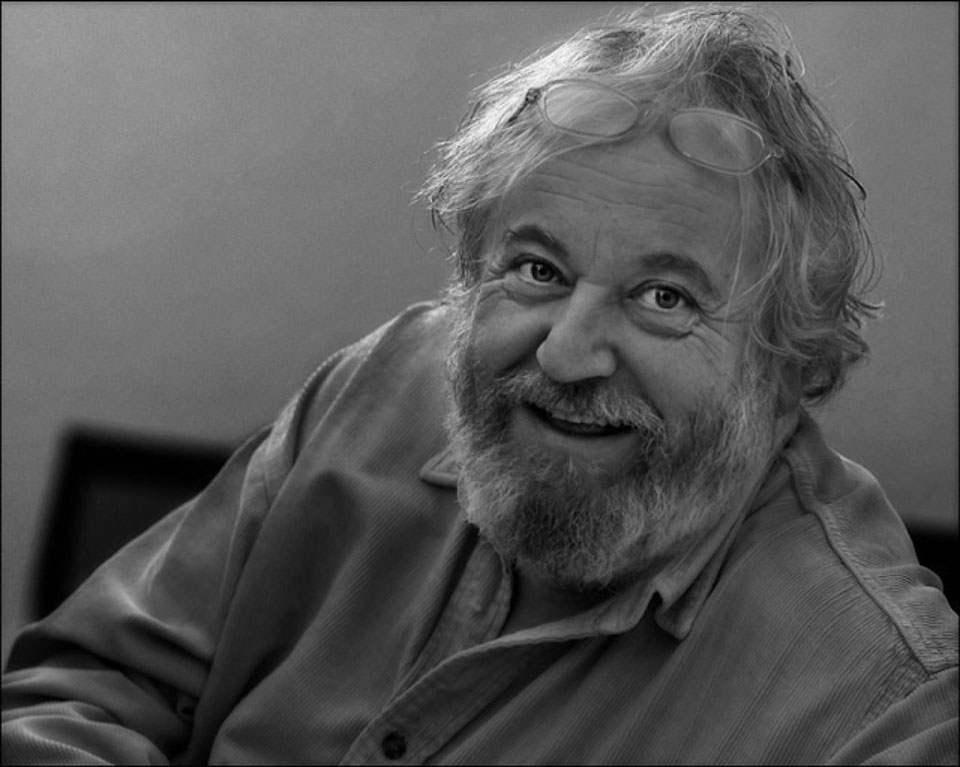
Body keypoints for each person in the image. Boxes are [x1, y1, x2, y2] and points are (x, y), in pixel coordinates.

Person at [2, 5, 956, 764]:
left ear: (790, 365)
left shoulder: (882, 700)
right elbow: (94, 688)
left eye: (664, 297)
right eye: (537, 269)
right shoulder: (386, 384)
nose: (566, 354)